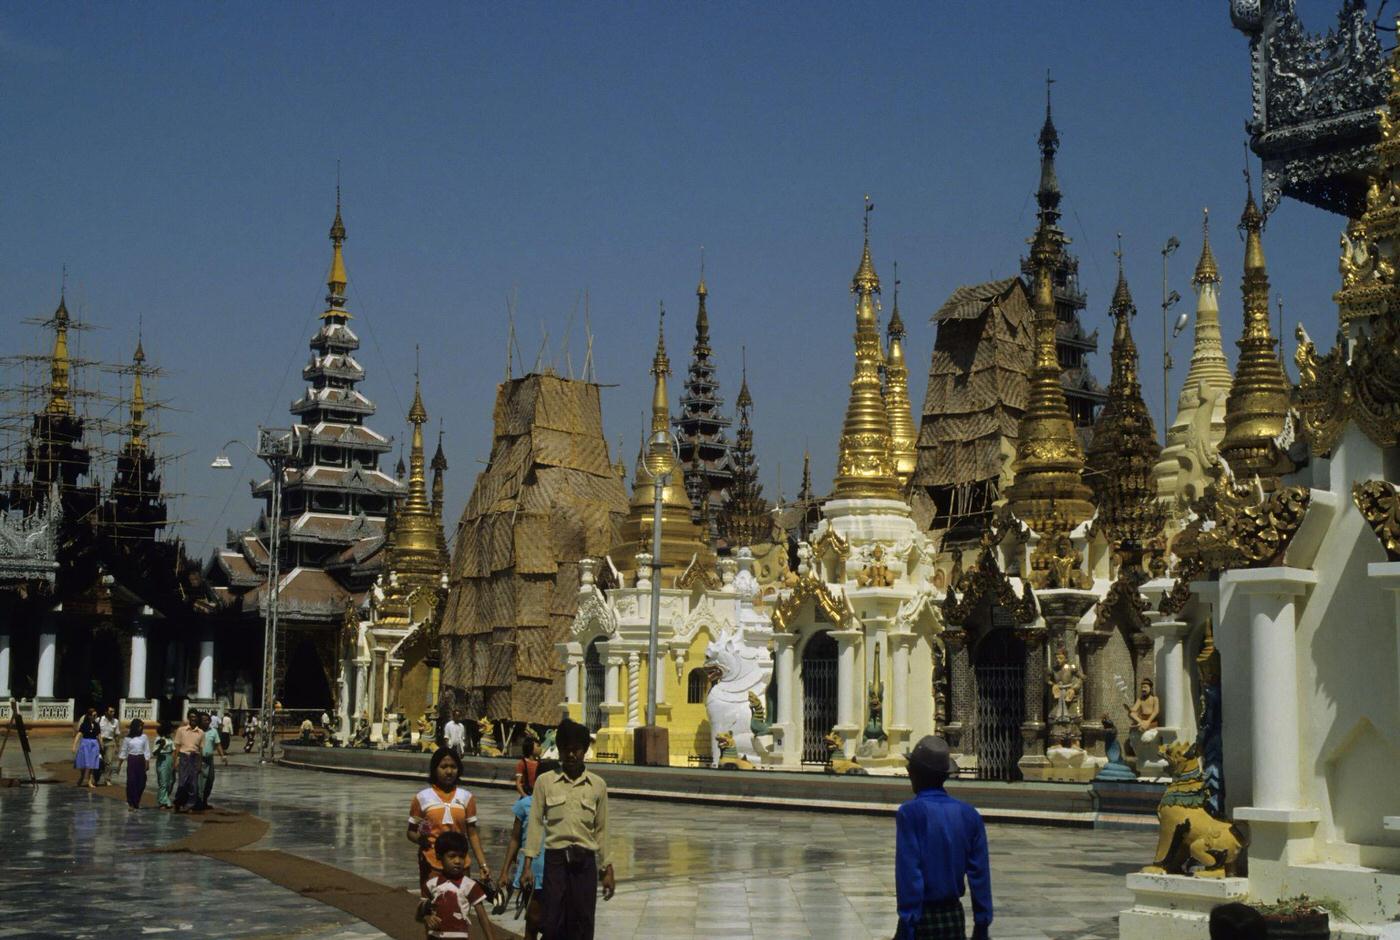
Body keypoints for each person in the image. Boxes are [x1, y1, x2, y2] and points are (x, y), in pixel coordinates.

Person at [523, 719, 615, 940]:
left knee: (583, 922)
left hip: (585, 862)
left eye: (576, 750)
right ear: (560, 752)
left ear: (585, 751)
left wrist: (607, 868)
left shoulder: (598, 785)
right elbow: (535, 822)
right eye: (566, 750)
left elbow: (602, 829)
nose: (571, 755)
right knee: (553, 921)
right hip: (556, 862)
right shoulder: (545, 782)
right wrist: (527, 864)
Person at [895, 735, 991, 940]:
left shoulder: (911, 813)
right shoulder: (969, 814)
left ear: (916, 774)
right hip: (954, 916)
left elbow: (910, 872)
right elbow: (980, 874)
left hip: (922, 917)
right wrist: (981, 923)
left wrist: (907, 922)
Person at [409, 748, 492, 897]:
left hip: (460, 863)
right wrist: (421, 839)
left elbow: (472, 834)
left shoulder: (467, 797)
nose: (449, 771)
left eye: (453, 767)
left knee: (461, 908)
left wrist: (483, 865)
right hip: (432, 864)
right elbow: (410, 832)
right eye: (443, 767)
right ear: (434, 769)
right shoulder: (422, 798)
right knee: (434, 910)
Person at [496, 759, 558, 938]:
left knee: (553, 924)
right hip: (531, 873)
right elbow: (515, 839)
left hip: (557, 871)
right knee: (533, 920)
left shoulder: (563, 806)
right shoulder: (525, 805)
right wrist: (504, 872)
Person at [417, 830, 498, 940]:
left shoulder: (470, 885)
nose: (457, 861)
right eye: (452, 856)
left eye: (461, 856)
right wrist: (427, 917)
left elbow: (482, 917)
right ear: (439, 856)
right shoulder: (431, 885)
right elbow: (419, 914)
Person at [116, 718, 152, 810]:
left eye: (142, 726)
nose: (141, 728)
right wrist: (119, 765)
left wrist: (147, 762)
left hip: (141, 759)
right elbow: (123, 752)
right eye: (139, 726)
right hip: (132, 760)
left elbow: (146, 750)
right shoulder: (128, 738)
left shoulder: (144, 737)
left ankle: (137, 800)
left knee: (141, 782)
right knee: (132, 781)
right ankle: (131, 802)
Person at [172, 710, 204, 812]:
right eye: (191, 717)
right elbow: (177, 747)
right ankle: (179, 802)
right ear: (188, 718)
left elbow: (201, 750)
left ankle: (190, 804)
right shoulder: (181, 730)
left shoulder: (201, 733)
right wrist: (175, 760)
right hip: (183, 757)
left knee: (193, 784)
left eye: (195, 717)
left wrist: (199, 764)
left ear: (198, 719)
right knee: (182, 783)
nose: (193, 719)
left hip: (194, 757)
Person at [197, 711, 226, 810]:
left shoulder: (213, 731)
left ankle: (205, 800)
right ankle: (199, 802)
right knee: (200, 782)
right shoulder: (197, 732)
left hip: (209, 759)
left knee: (210, 780)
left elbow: (218, 744)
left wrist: (222, 756)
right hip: (199, 759)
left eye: (207, 720)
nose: (206, 722)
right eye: (204, 720)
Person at [72, 707, 101, 788]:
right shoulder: (84, 725)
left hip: (94, 744)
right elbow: (79, 735)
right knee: (84, 762)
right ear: (89, 716)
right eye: (94, 715)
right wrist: (74, 745)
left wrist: (101, 745)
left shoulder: (96, 725)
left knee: (92, 764)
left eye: (96, 715)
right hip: (85, 743)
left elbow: (99, 735)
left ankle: (89, 781)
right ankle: (82, 776)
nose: (95, 716)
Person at [151, 718, 175, 809]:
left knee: (170, 780)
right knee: (163, 781)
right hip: (162, 759)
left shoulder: (170, 738)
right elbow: (154, 753)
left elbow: (173, 749)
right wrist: (161, 746)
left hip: (169, 758)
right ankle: (162, 801)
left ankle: (166, 798)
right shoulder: (159, 739)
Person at [97, 705, 120, 786]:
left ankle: (107, 779)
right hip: (99, 742)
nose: (112, 713)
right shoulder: (99, 720)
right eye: (111, 711)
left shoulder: (116, 721)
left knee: (109, 762)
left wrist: (117, 746)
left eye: (113, 711)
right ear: (106, 712)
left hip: (110, 742)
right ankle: (95, 778)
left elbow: (116, 734)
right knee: (98, 761)